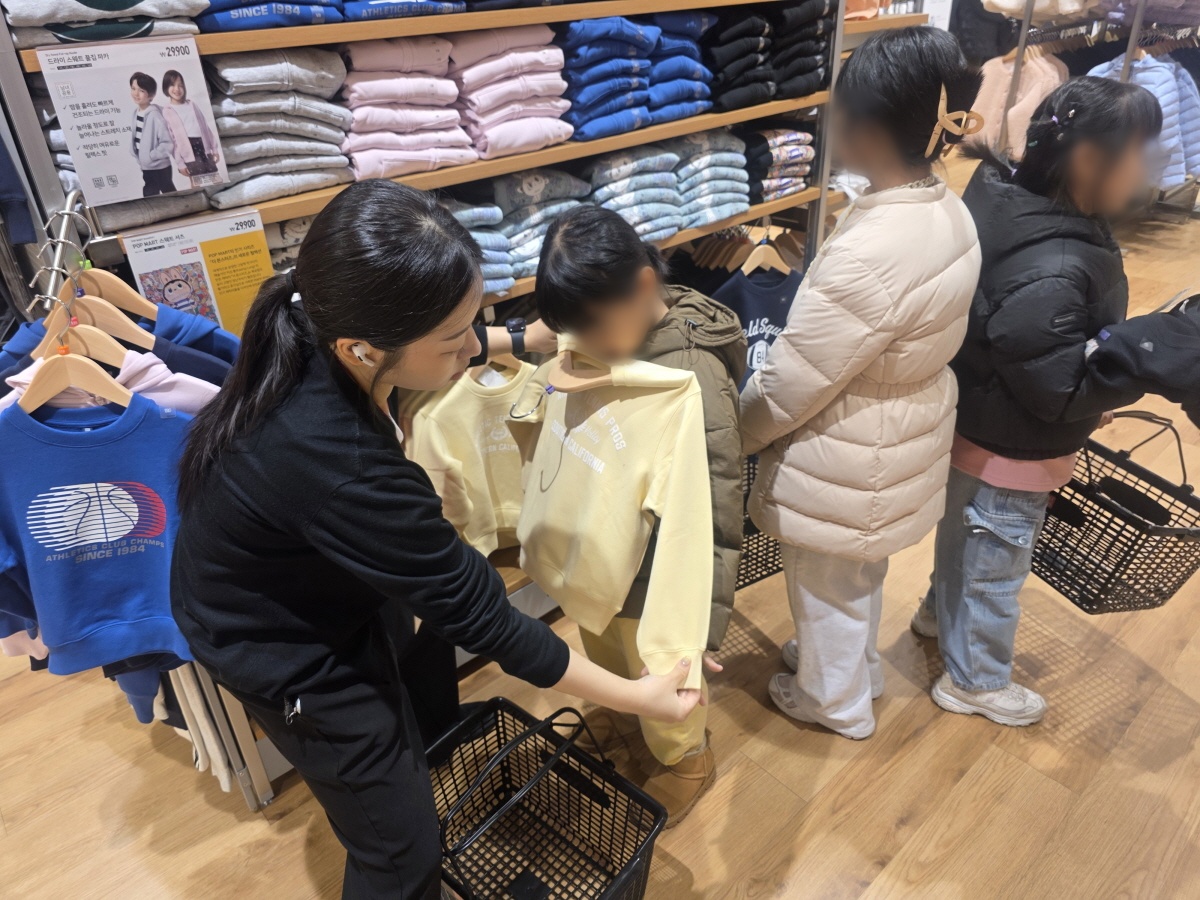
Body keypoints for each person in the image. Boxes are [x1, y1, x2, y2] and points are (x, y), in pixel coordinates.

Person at [170, 180, 702, 900]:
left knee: (414, 678)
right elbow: (488, 620)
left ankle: (413, 753)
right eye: (456, 341)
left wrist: (521, 339)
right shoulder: (340, 464)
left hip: (320, 582)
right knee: (399, 849)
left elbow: (435, 355)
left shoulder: (313, 323)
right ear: (363, 348)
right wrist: (641, 698)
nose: (471, 349)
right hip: (276, 652)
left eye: (474, 323)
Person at [739, 26, 984, 740]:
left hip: (847, 447)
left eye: (839, 112)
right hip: (896, 432)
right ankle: (854, 671)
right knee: (855, 573)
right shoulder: (945, 206)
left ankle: (833, 701)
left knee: (824, 582)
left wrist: (736, 432)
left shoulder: (871, 251)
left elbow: (793, 383)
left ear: (870, 130)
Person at [916, 76, 1163, 726]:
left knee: (966, 537)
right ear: (1088, 159)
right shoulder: (1055, 264)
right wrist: (1136, 366)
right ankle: (975, 681)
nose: (1148, 168)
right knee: (995, 565)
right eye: (1139, 153)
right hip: (1015, 448)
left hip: (976, 420)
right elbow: (1057, 392)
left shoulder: (1007, 197)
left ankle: (937, 616)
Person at [532, 205, 746, 825]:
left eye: (595, 332)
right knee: (604, 644)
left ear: (643, 286)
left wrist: (701, 627)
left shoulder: (691, 375)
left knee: (662, 670)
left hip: (656, 572)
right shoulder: (602, 337)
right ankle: (627, 710)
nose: (587, 346)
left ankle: (688, 761)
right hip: (604, 544)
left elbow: (717, 503)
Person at [161, 69, 220, 187]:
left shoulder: (192, 105)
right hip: (189, 152)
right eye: (172, 85)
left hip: (204, 147)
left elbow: (206, 128)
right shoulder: (167, 111)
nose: (177, 89)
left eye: (180, 85)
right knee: (196, 182)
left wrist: (214, 149)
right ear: (166, 87)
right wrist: (180, 163)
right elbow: (172, 140)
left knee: (216, 179)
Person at [128, 72, 176, 197]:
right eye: (133, 88)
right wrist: (138, 155)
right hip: (146, 166)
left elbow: (167, 142)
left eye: (141, 90)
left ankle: (181, 206)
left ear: (151, 95)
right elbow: (137, 138)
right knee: (150, 192)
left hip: (159, 166)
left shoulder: (155, 115)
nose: (136, 93)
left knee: (167, 191)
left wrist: (151, 156)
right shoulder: (136, 113)